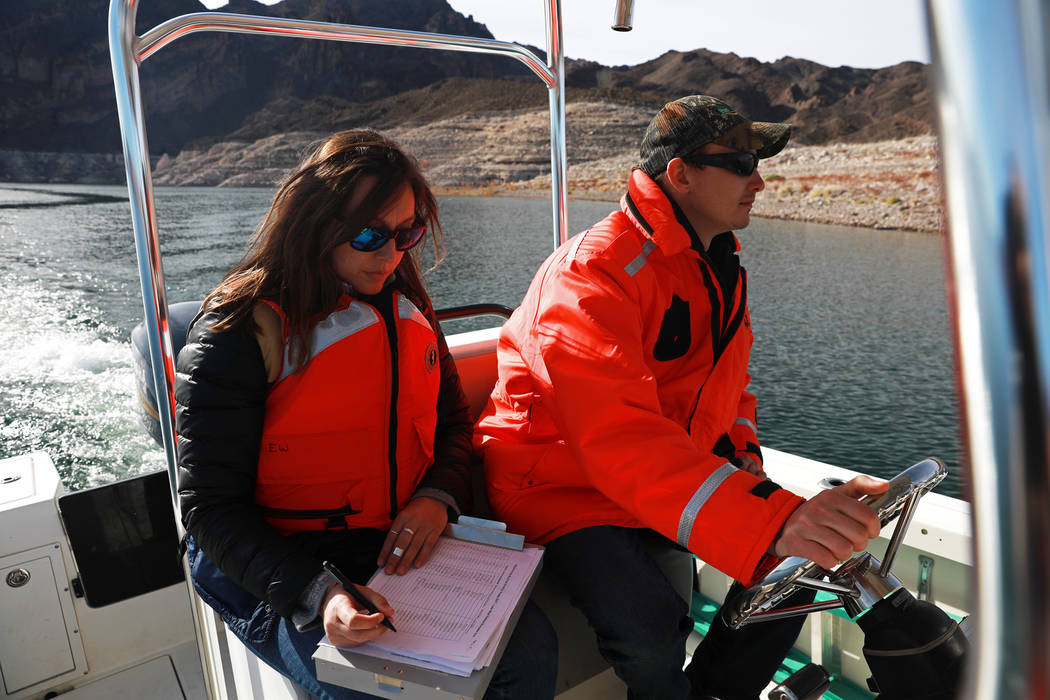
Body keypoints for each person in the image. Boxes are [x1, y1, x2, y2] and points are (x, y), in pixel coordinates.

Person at [474, 95, 890, 700]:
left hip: (646, 477)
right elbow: (615, 435)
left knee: (794, 577)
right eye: (742, 162)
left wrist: (745, 464)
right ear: (681, 174)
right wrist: (775, 517)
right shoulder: (594, 273)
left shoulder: (715, 265)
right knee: (651, 629)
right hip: (557, 483)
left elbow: (729, 391)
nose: (760, 180)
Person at [175, 129, 556, 700]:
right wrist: (317, 593)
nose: (392, 254)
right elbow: (209, 509)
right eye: (369, 235)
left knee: (530, 654)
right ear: (315, 225)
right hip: (275, 567)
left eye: (408, 233)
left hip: (390, 546)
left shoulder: (410, 307)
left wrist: (437, 497)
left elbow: (452, 425)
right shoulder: (238, 333)